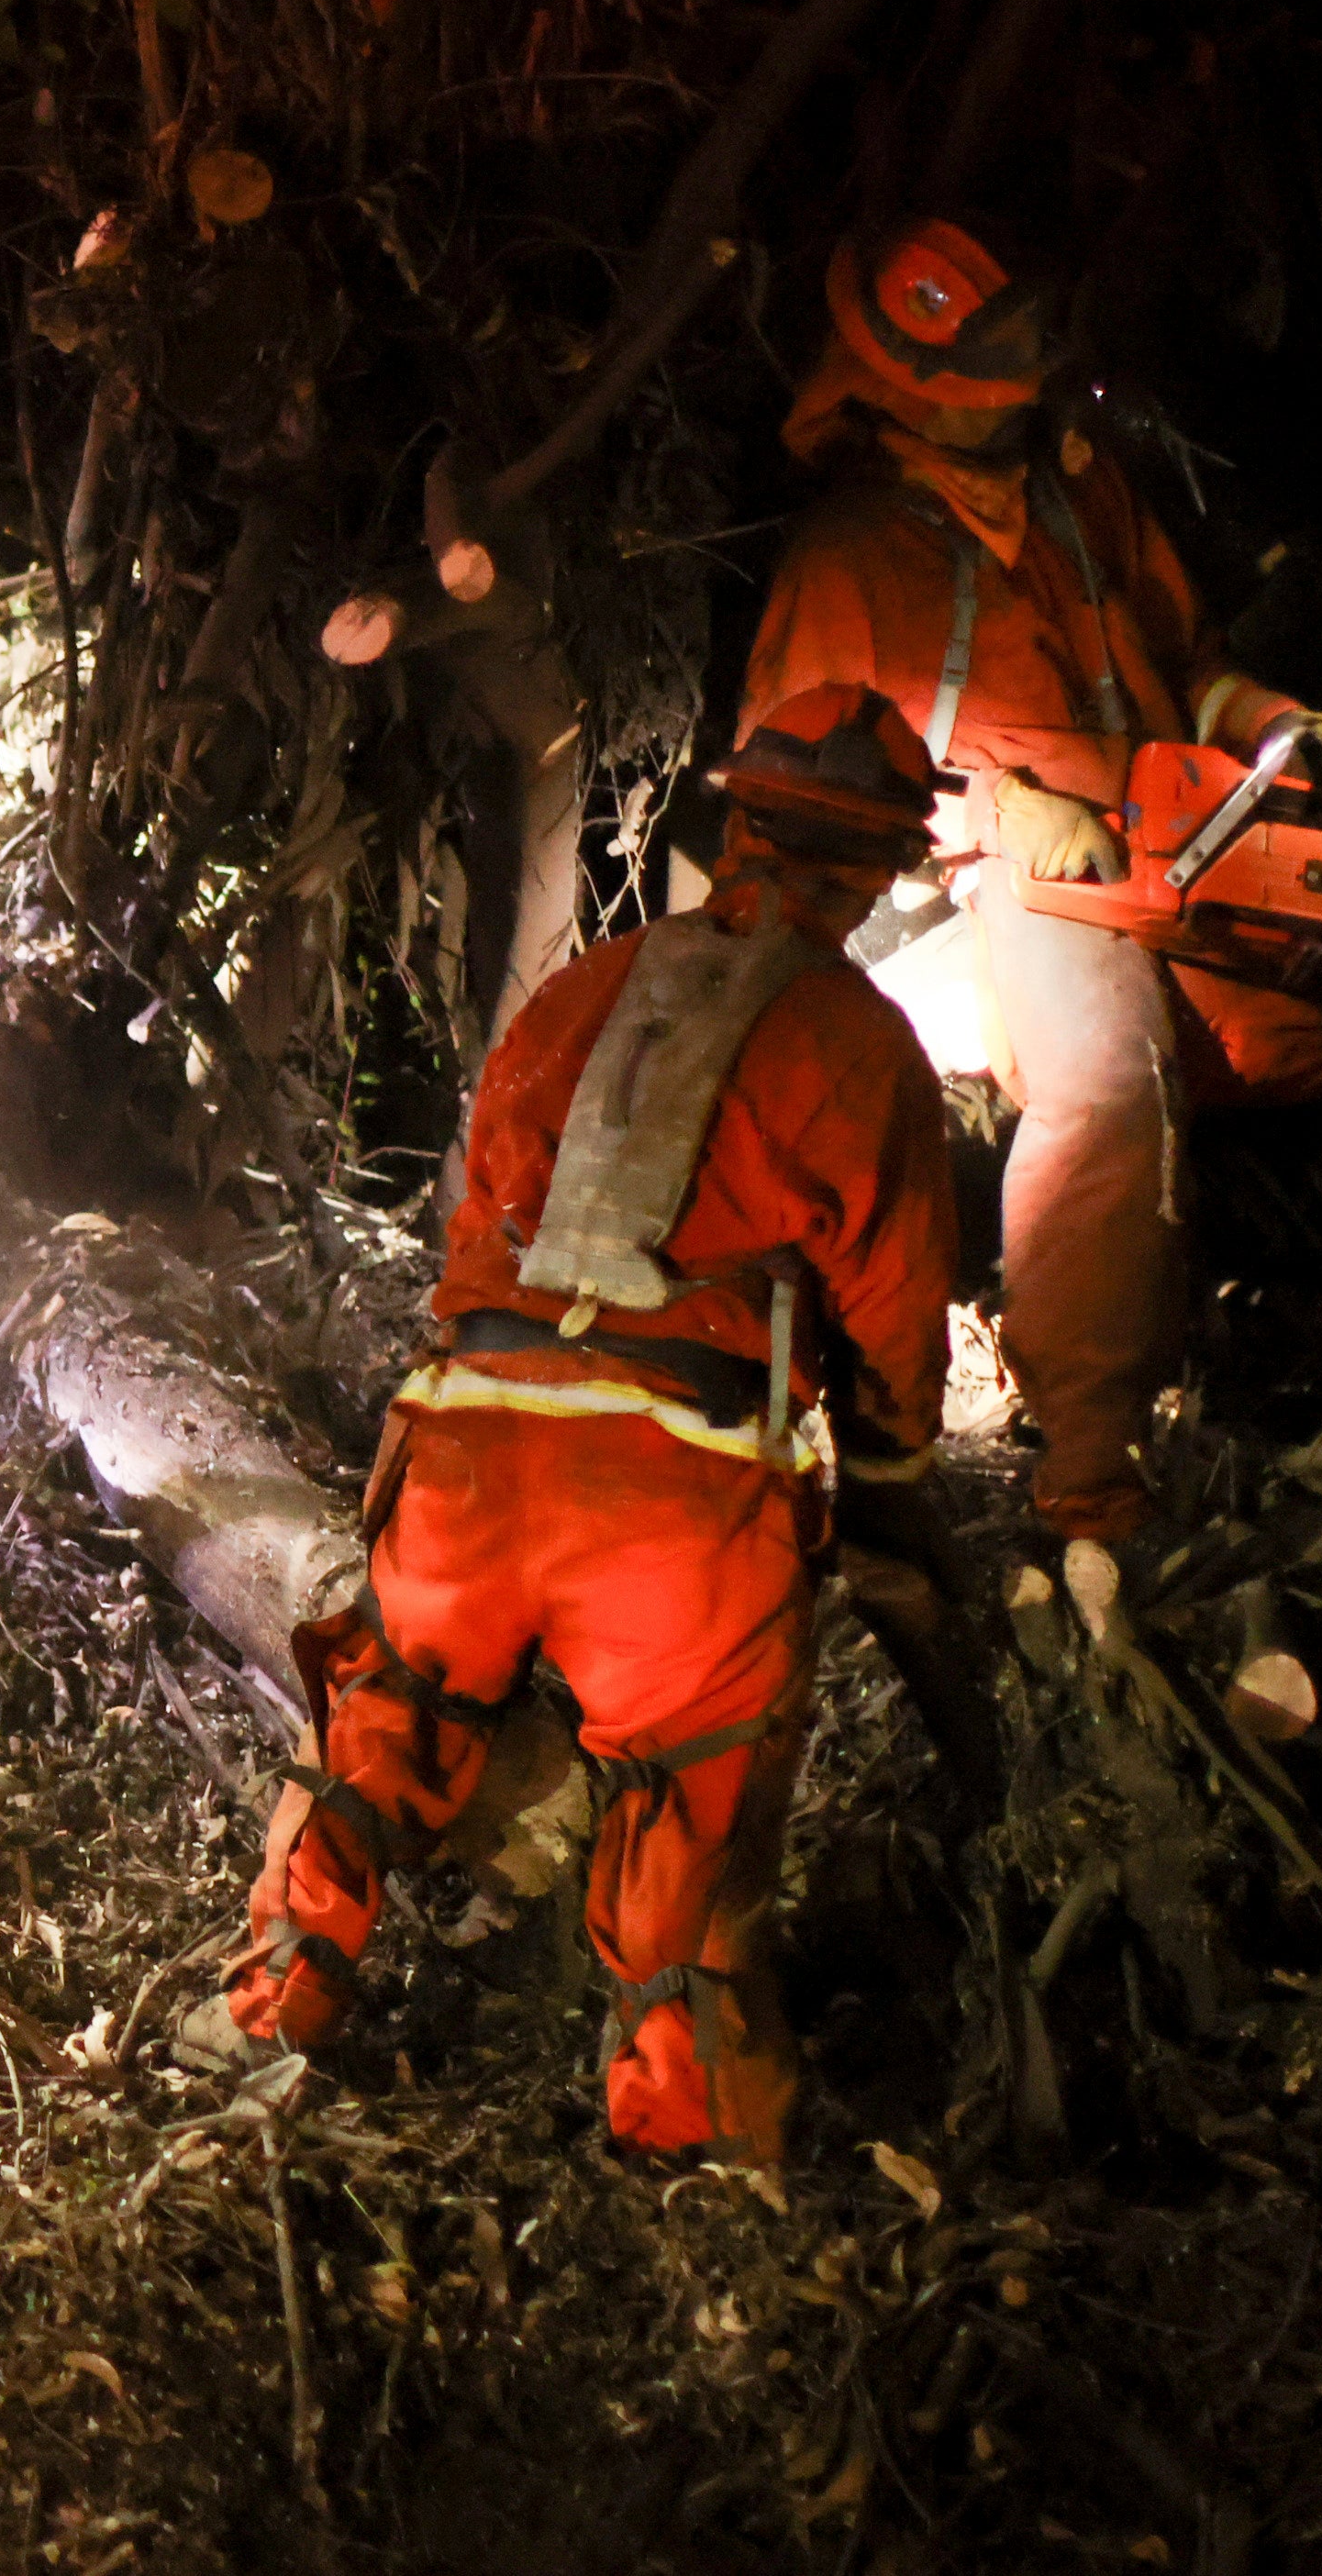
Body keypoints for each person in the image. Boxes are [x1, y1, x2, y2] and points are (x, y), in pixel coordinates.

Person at [195, 687, 962, 2167]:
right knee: (689, 1817)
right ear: (879, 870)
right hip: (676, 1497)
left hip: (471, 1450)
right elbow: (892, 1302)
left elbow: (481, 1211)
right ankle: (692, 2152)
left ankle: (270, 2011)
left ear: (734, 826)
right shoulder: (861, 1043)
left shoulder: (582, 988)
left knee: (376, 1731)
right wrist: (892, 1475)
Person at [738, 217, 1322, 1544]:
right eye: (984, 352)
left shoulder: (1079, 487)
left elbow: (1191, 652)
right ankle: (1089, 1473)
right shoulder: (851, 551)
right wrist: (999, 808)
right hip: (992, 895)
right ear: (900, 377)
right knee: (1109, 1084)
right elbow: (789, 780)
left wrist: (1268, 723)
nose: (1017, 374)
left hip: (1175, 855)